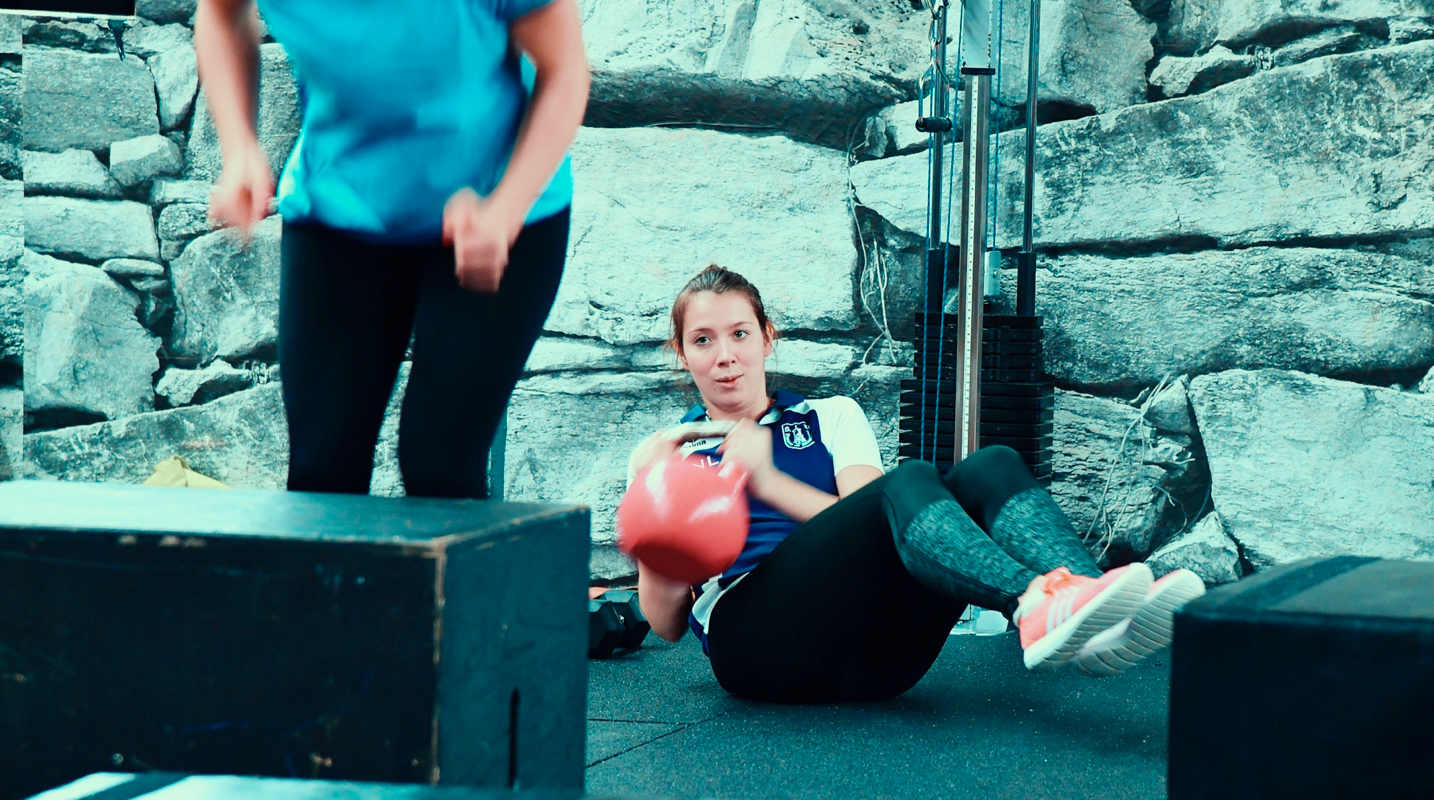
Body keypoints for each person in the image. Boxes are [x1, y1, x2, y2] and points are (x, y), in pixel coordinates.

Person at [628, 265, 1206, 703]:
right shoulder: (665, 454)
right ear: (681, 354)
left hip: (882, 658)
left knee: (990, 463)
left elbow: (876, 522)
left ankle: (1094, 612)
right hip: (757, 651)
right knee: (913, 478)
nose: (725, 356)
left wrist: (765, 477)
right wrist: (657, 508)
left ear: (766, 337)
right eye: (703, 340)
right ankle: (1033, 601)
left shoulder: (831, 417)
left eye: (739, 333)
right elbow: (667, 625)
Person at [194, 0, 588, 497]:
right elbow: (220, 16)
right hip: (341, 212)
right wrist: (239, 147)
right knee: (322, 476)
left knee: (439, 467)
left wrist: (505, 209)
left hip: (492, 218)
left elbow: (566, 69)